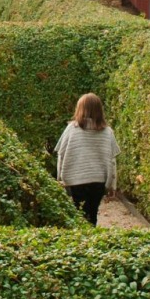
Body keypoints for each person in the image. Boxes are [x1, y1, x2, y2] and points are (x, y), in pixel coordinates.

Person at [55, 92, 118, 227]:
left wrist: (60, 178)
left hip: (75, 180)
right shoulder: (107, 132)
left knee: (79, 214)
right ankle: (91, 241)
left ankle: (81, 241)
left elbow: (61, 154)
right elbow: (112, 160)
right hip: (98, 181)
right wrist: (112, 185)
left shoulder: (71, 129)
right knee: (93, 214)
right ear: (99, 110)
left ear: (80, 109)